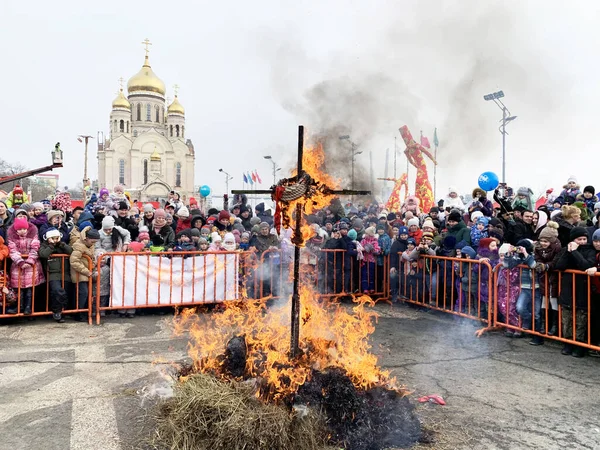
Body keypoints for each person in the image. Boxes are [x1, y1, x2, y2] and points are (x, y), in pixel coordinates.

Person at [553, 226, 596, 357]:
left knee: (580, 319)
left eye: (584, 239)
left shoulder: (590, 251)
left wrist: (576, 252)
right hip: (568, 288)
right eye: (579, 239)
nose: (582, 241)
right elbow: (559, 265)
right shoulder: (567, 249)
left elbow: (585, 265)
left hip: (582, 289)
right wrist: (569, 251)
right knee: (567, 318)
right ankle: (567, 342)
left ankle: (579, 345)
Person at [7, 217, 45, 315]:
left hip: (31, 266)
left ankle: (28, 307)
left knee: (29, 288)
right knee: (18, 288)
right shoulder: (11, 237)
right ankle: (19, 306)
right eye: (19, 229)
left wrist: (30, 261)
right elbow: (12, 250)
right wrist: (20, 261)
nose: (22, 231)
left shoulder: (33, 236)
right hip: (17, 266)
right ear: (16, 230)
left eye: (24, 229)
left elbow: (35, 248)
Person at [533, 221, 562, 336]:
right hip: (544, 277)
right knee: (544, 299)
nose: (543, 243)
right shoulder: (538, 248)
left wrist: (547, 266)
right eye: (542, 241)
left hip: (554, 277)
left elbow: (556, 261)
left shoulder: (557, 248)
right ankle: (544, 324)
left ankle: (554, 325)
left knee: (553, 300)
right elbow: (537, 257)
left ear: (552, 241)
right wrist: (539, 264)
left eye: (546, 241)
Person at [39, 227, 72, 322]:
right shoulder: (44, 246)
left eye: (56, 238)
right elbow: (43, 254)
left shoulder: (62, 245)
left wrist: (62, 245)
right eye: (52, 238)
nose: (55, 240)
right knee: (57, 291)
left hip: (65, 273)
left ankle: (63, 311)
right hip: (53, 274)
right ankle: (57, 311)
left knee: (65, 292)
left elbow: (70, 251)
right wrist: (51, 246)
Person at [70, 227, 99, 321]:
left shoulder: (90, 245)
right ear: (86, 239)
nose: (94, 244)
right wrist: (86, 271)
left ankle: (85, 312)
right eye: (92, 242)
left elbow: (92, 258)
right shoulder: (78, 246)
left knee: (87, 293)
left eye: (95, 242)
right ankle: (78, 313)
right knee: (83, 293)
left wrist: (94, 264)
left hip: (87, 272)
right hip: (80, 273)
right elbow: (74, 261)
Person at [360, 226, 380, 294]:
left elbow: (377, 250)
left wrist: (373, 249)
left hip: (372, 260)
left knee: (371, 274)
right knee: (364, 274)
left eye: (367, 233)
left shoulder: (375, 241)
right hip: (364, 260)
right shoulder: (363, 240)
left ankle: (371, 288)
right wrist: (362, 249)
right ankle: (365, 288)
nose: (365, 235)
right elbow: (360, 247)